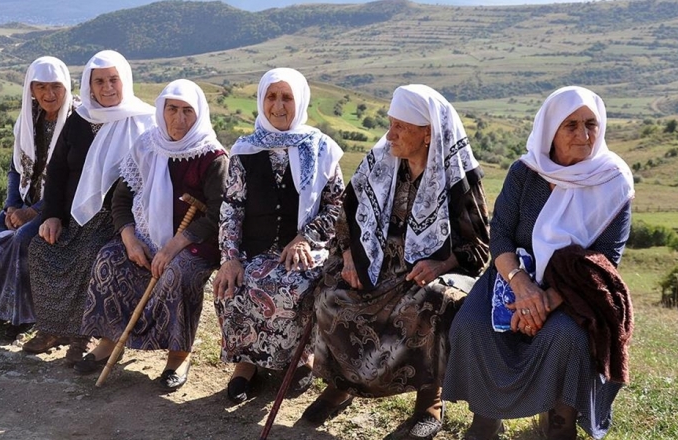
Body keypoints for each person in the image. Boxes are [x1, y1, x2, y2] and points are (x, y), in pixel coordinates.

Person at [442, 86, 634, 440]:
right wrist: (521, 286)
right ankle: (486, 418)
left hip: (577, 289)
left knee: (566, 336)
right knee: (472, 324)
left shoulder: (613, 181)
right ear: (550, 130)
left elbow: (607, 257)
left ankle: (558, 422)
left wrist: (546, 301)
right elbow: (500, 235)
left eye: (591, 123)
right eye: (571, 125)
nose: (584, 134)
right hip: (512, 275)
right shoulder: (526, 171)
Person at [301, 85, 491, 439]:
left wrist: (442, 265)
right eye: (390, 124)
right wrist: (348, 256)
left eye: (400, 127)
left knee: (434, 303)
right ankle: (342, 386)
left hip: (423, 277)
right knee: (332, 296)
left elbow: (479, 248)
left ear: (427, 133)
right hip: (374, 267)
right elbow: (347, 215)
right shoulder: (381, 164)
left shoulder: (458, 178)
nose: (389, 135)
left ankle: (429, 402)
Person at [74, 79, 229, 389]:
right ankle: (109, 340)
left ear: (199, 115)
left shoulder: (213, 158)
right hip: (146, 235)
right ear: (161, 111)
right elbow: (122, 199)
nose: (179, 119)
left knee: (179, 273)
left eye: (188, 111)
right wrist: (130, 238)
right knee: (110, 258)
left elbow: (219, 213)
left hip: (196, 242)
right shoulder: (147, 145)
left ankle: (178, 354)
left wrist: (175, 245)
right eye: (172, 109)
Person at [212, 68, 344, 403]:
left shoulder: (322, 149)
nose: (278, 105)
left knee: (292, 286)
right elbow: (231, 207)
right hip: (254, 250)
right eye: (271, 96)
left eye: (287, 97)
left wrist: (305, 237)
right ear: (261, 100)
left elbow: (337, 207)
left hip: (305, 249)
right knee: (230, 287)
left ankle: (298, 358)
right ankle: (245, 363)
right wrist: (229, 258)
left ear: (300, 102)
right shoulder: (244, 150)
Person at [22, 50, 156, 366]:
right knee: (41, 249)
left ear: (125, 81)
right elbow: (55, 171)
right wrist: (52, 215)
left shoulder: (143, 121)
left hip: (120, 220)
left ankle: (84, 335)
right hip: (75, 216)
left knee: (89, 255)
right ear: (89, 86)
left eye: (113, 80)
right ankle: (53, 329)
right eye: (99, 81)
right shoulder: (79, 120)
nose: (107, 87)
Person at [0, 56, 74, 338]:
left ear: (66, 87)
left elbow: (73, 183)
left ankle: (23, 314)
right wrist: (11, 206)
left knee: (21, 240)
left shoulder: (75, 123)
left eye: (55, 86)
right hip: (23, 203)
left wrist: (33, 213)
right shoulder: (28, 119)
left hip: (59, 208)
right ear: (31, 89)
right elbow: (14, 168)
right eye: (41, 86)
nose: (49, 94)